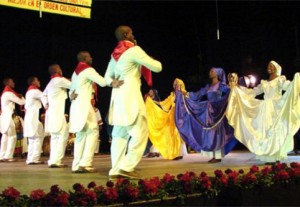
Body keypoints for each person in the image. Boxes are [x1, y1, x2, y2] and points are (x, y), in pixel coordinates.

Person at [105, 25, 162, 180]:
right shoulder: (134, 50)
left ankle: (116, 169)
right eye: (131, 32)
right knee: (140, 131)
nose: (133, 34)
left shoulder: (114, 55)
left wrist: (112, 83)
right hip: (131, 97)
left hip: (117, 98)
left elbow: (106, 78)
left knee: (119, 134)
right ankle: (127, 166)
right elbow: (157, 67)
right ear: (126, 34)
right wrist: (144, 56)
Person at [226, 60, 300, 163]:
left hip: (276, 107)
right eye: (268, 66)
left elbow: (289, 87)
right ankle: (268, 156)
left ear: (277, 68)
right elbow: (254, 91)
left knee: (275, 131)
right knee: (265, 131)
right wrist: (238, 89)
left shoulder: (280, 80)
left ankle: (275, 155)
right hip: (265, 109)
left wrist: (296, 81)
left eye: (272, 66)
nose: (269, 67)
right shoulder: (264, 82)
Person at [69, 51, 121, 173]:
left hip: (76, 105)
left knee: (81, 135)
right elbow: (102, 82)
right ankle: (86, 163)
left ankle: (76, 165)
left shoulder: (75, 72)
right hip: (85, 105)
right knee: (93, 131)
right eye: (90, 56)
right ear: (85, 58)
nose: (92, 58)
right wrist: (112, 81)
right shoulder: (88, 70)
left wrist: (71, 95)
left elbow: (71, 91)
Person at [175, 68, 237, 163]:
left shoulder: (221, 85)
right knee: (211, 134)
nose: (210, 72)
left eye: (212, 71)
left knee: (217, 133)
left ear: (217, 74)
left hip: (217, 111)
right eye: (210, 71)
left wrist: (233, 87)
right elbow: (198, 94)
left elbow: (228, 94)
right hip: (208, 111)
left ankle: (218, 156)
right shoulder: (208, 86)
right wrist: (186, 94)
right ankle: (214, 155)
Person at [145, 81, 188, 160]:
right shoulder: (172, 94)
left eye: (178, 84)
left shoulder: (183, 93)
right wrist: (153, 102)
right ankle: (176, 153)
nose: (176, 86)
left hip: (179, 115)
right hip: (172, 114)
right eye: (175, 84)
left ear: (181, 85)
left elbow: (186, 102)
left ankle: (179, 153)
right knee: (172, 133)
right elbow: (164, 103)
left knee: (177, 133)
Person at [41, 64, 71, 168]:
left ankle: (53, 160)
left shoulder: (51, 82)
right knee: (62, 135)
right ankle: (57, 160)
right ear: (57, 70)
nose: (61, 70)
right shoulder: (59, 80)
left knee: (55, 137)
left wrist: (45, 103)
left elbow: (43, 95)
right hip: (57, 113)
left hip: (52, 113)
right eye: (60, 68)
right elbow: (73, 84)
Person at [0, 78, 25, 162]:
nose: (14, 83)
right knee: (12, 136)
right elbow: (21, 102)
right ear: (8, 83)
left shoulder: (4, 93)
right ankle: (8, 156)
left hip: (4, 117)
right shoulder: (9, 93)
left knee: (5, 137)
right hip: (8, 117)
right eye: (12, 81)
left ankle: (2, 155)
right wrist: (22, 97)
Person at [23, 76, 44, 165]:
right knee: (36, 138)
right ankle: (34, 158)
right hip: (33, 118)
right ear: (33, 82)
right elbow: (46, 95)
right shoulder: (34, 91)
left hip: (30, 118)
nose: (39, 81)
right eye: (37, 80)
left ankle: (30, 158)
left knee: (32, 139)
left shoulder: (29, 92)